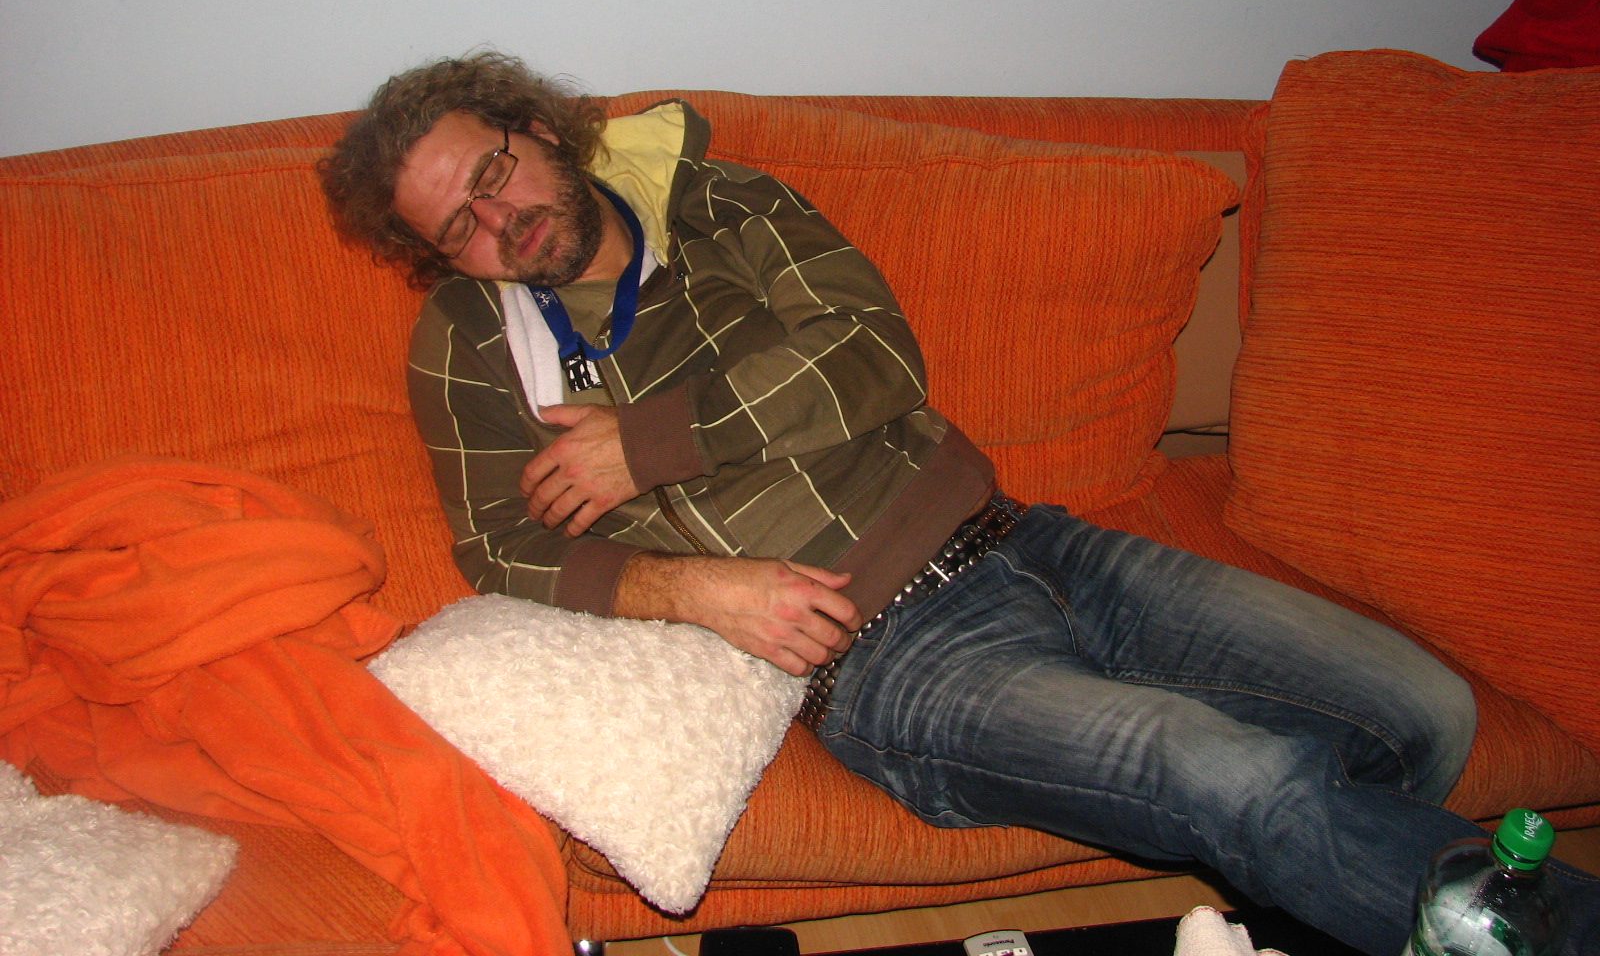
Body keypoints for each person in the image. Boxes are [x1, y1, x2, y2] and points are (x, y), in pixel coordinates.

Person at [319, 51, 1596, 956]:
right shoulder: (470, 343)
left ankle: (1364, 890)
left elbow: (873, 353)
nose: (498, 222)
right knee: (1236, 775)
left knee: (1421, 710)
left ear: (541, 130)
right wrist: (688, 587)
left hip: (1035, 544)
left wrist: (645, 447)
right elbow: (496, 542)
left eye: (494, 171)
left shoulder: (724, 205)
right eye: (456, 226)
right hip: (885, 659)